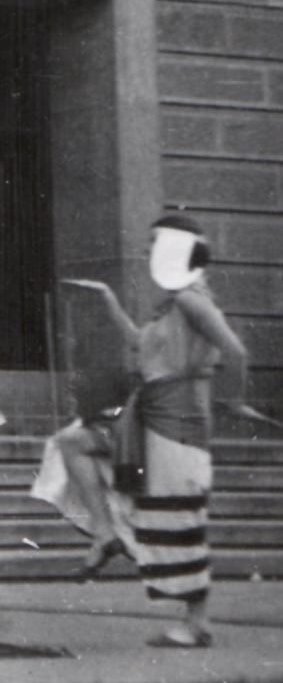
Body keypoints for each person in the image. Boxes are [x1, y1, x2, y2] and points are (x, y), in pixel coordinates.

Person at [46, 214, 249, 649]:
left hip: (176, 423)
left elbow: (235, 351)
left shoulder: (193, 301)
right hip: (150, 416)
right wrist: (109, 301)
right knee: (71, 444)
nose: (148, 250)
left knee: (177, 517)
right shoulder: (174, 304)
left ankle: (196, 622)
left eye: (155, 242)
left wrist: (229, 397)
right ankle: (104, 534)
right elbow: (142, 345)